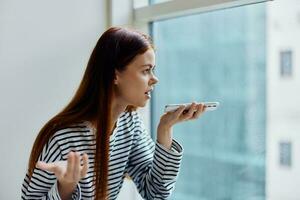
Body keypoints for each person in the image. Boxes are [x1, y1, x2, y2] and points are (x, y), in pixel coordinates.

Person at [21, 27, 206, 200]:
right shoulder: (62, 138)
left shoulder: (130, 124)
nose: (154, 79)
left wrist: (165, 129)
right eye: (146, 70)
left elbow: (156, 193)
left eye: (153, 70)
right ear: (115, 75)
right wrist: (65, 188)